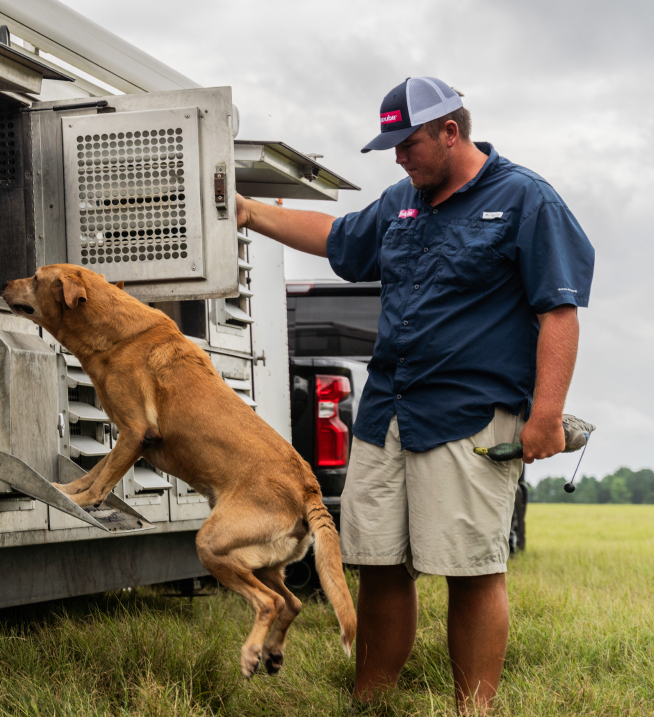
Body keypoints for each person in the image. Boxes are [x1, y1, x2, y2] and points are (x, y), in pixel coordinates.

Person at [236, 77, 594, 714]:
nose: (399, 157)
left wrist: (544, 417)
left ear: (450, 132)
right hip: (387, 413)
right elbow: (339, 237)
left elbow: (559, 314)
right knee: (378, 564)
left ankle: (472, 710)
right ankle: (370, 701)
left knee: (472, 569)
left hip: (470, 417)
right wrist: (250, 212)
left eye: (409, 143)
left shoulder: (525, 199)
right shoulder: (404, 200)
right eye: (393, 146)